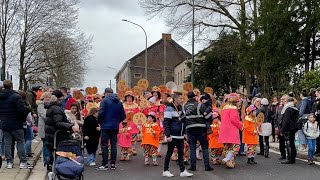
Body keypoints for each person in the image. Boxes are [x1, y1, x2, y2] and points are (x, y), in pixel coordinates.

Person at [0, 80, 32, 169]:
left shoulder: (1, 97)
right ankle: (22, 162)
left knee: (7, 143)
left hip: (5, 123)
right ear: (12, 86)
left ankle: (9, 162)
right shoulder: (16, 97)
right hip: (16, 123)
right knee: (20, 142)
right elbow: (22, 111)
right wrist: (27, 110)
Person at [45, 90, 79, 170]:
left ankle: (52, 165)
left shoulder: (51, 108)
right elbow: (58, 122)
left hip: (51, 134)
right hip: (57, 136)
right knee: (60, 153)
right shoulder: (57, 109)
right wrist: (71, 126)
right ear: (60, 98)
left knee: (54, 153)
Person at [163, 92, 193, 178]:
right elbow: (166, 123)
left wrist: (184, 133)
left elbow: (184, 122)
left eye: (183, 98)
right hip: (172, 135)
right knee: (169, 153)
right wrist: (168, 135)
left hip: (180, 135)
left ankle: (182, 170)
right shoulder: (169, 108)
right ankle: (165, 170)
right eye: (180, 98)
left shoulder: (181, 108)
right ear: (175, 99)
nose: (182, 100)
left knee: (181, 153)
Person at [97, 88, 126, 170]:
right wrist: (117, 121)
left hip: (105, 126)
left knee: (104, 145)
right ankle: (113, 164)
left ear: (106, 93)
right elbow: (123, 115)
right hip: (115, 126)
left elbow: (101, 112)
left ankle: (104, 164)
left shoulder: (104, 101)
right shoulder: (119, 102)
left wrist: (100, 121)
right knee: (114, 145)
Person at [184, 92, 213, 171]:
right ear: (195, 97)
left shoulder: (185, 106)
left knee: (192, 147)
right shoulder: (200, 105)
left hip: (190, 129)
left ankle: (193, 166)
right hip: (201, 128)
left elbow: (183, 119)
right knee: (204, 148)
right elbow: (208, 116)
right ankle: (207, 166)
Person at [218, 93, 243, 169]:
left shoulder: (224, 108)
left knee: (227, 146)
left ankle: (229, 161)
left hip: (224, 129)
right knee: (236, 145)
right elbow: (234, 119)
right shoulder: (233, 109)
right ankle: (227, 159)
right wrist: (240, 124)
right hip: (231, 129)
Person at [281, 96, 299, 164]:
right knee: (292, 143)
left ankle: (290, 158)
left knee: (289, 143)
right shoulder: (295, 109)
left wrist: (283, 130)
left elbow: (286, 120)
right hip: (294, 127)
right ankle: (293, 158)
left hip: (289, 128)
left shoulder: (288, 109)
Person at [17, 90, 34, 158]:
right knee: (28, 138)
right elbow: (29, 117)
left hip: (18, 124)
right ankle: (26, 152)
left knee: (19, 140)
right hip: (27, 124)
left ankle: (19, 152)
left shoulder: (15, 104)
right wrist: (31, 123)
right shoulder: (26, 105)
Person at [122, 91, 140, 156]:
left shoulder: (136, 105)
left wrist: (138, 123)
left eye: (130, 97)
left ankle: (133, 148)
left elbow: (138, 114)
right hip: (126, 123)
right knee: (126, 135)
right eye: (128, 97)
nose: (129, 98)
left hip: (133, 123)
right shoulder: (123, 105)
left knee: (133, 136)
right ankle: (127, 148)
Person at [37, 91, 51, 167]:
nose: (48, 99)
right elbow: (44, 115)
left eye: (49, 97)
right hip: (43, 128)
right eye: (46, 97)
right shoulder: (40, 105)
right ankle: (46, 160)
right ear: (43, 98)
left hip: (49, 128)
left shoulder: (50, 106)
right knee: (45, 144)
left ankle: (49, 159)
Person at [275, 95, 286, 160]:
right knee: (281, 143)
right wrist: (276, 126)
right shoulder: (279, 108)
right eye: (281, 100)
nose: (281, 101)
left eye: (283, 99)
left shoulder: (288, 108)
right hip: (280, 128)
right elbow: (275, 118)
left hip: (287, 128)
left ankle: (290, 155)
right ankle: (283, 155)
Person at [311, 87, 320, 157]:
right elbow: (313, 110)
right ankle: (317, 150)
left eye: (316, 92)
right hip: (316, 120)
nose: (315, 93)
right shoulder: (315, 100)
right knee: (317, 136)